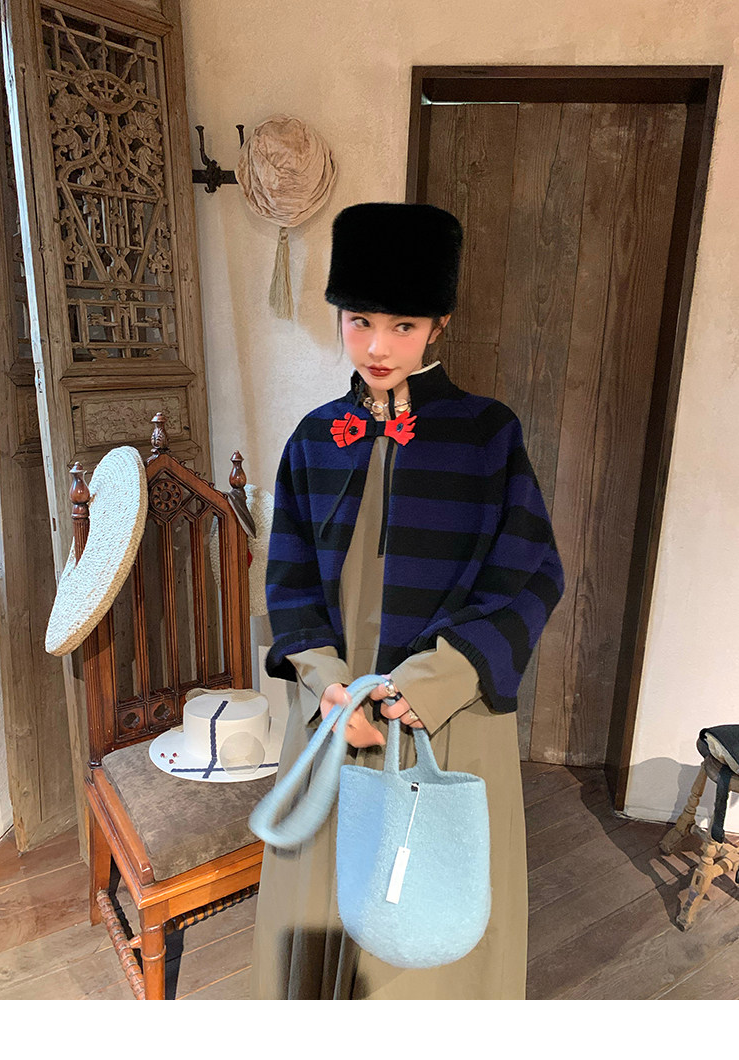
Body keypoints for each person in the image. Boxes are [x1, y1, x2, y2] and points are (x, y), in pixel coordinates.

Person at [249, 201, 565, 1000]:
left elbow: (532, 574)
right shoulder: (313, 438)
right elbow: (286, 578)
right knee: (320, 912)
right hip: (334, 718)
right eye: (360, 321)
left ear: (439, 324)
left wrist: (429, 686)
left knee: (427, 934)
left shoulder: (488, 435)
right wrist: (329, 688)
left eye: (403, 325)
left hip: (444, 719)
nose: (378, 347)